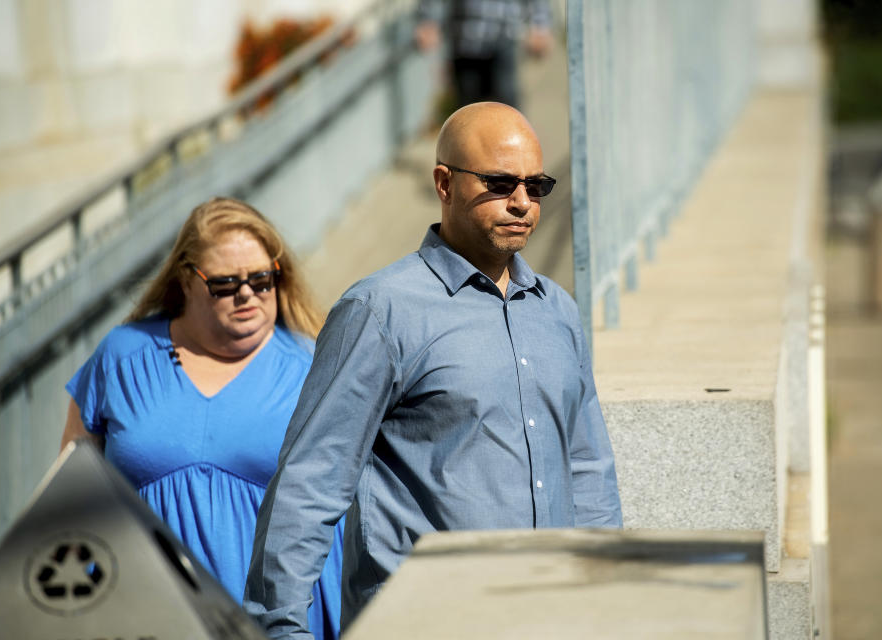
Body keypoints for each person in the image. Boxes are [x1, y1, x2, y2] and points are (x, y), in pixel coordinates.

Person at [244, 102, 622, 639]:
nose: (522, 203)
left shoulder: (557, 309)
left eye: (536, 187)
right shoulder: (380, 311)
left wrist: (608, 601)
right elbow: (311, 481)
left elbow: (587, 468)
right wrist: (280, 627)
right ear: (444, 183)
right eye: (499, 182)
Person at [60, 197, 345, 640]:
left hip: (276, 623)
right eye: (226, 284)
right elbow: (69, 494)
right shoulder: (121, 357)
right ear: (186, 281)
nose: (247, 294)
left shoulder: (314, 368)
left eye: (262, 279)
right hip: (146, 618)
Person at [415, 0, 553, 108]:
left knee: (506, 110)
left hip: (504, 37)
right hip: (464, 41)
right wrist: (428, 21)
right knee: (467, 114)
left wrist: (540, 25)